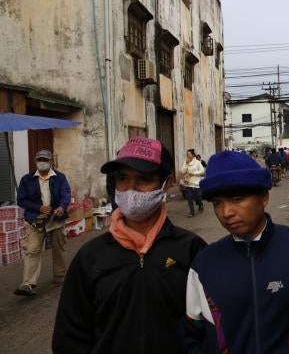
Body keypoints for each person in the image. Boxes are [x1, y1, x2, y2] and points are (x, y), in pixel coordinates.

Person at [185, 151, 289, 353]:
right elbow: (193, 334)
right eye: (217, 203)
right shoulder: (204, 265)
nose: (226, 212)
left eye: (237, 199)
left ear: (264, 197)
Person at [52, 137, 207, 354]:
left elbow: (209, 328)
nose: (131, 189)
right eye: (123, 178)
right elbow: (69, 338)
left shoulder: (191, 249)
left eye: (143, 179)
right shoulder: (90, 257)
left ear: (168, 182)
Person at [14, 150, 71, 296]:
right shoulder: (26, 179)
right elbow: (21, 200)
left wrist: (61, 207)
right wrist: (38, 207)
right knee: (32, 249)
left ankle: (59, 274)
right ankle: (28, 283)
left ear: (51, 161)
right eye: (39, 159)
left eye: (45, 159)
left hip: (55, 219)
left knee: (59, 247)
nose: (42, 161)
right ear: (35, 160)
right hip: (35, 219)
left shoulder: (60, 178)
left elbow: (66, 194)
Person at [181, 148, 205, 217]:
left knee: (197, 197)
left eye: (188, 154)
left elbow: (202, 171)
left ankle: (200, 204)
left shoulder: (197, 162)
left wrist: (193, 173)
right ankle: (192, 212)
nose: (187, 155)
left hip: (196, 183)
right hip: (188, 183)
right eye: (186, 154)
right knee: (189, 198)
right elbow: (182, 171)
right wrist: (186, 164)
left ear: (192, 155)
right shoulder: (185, 162)